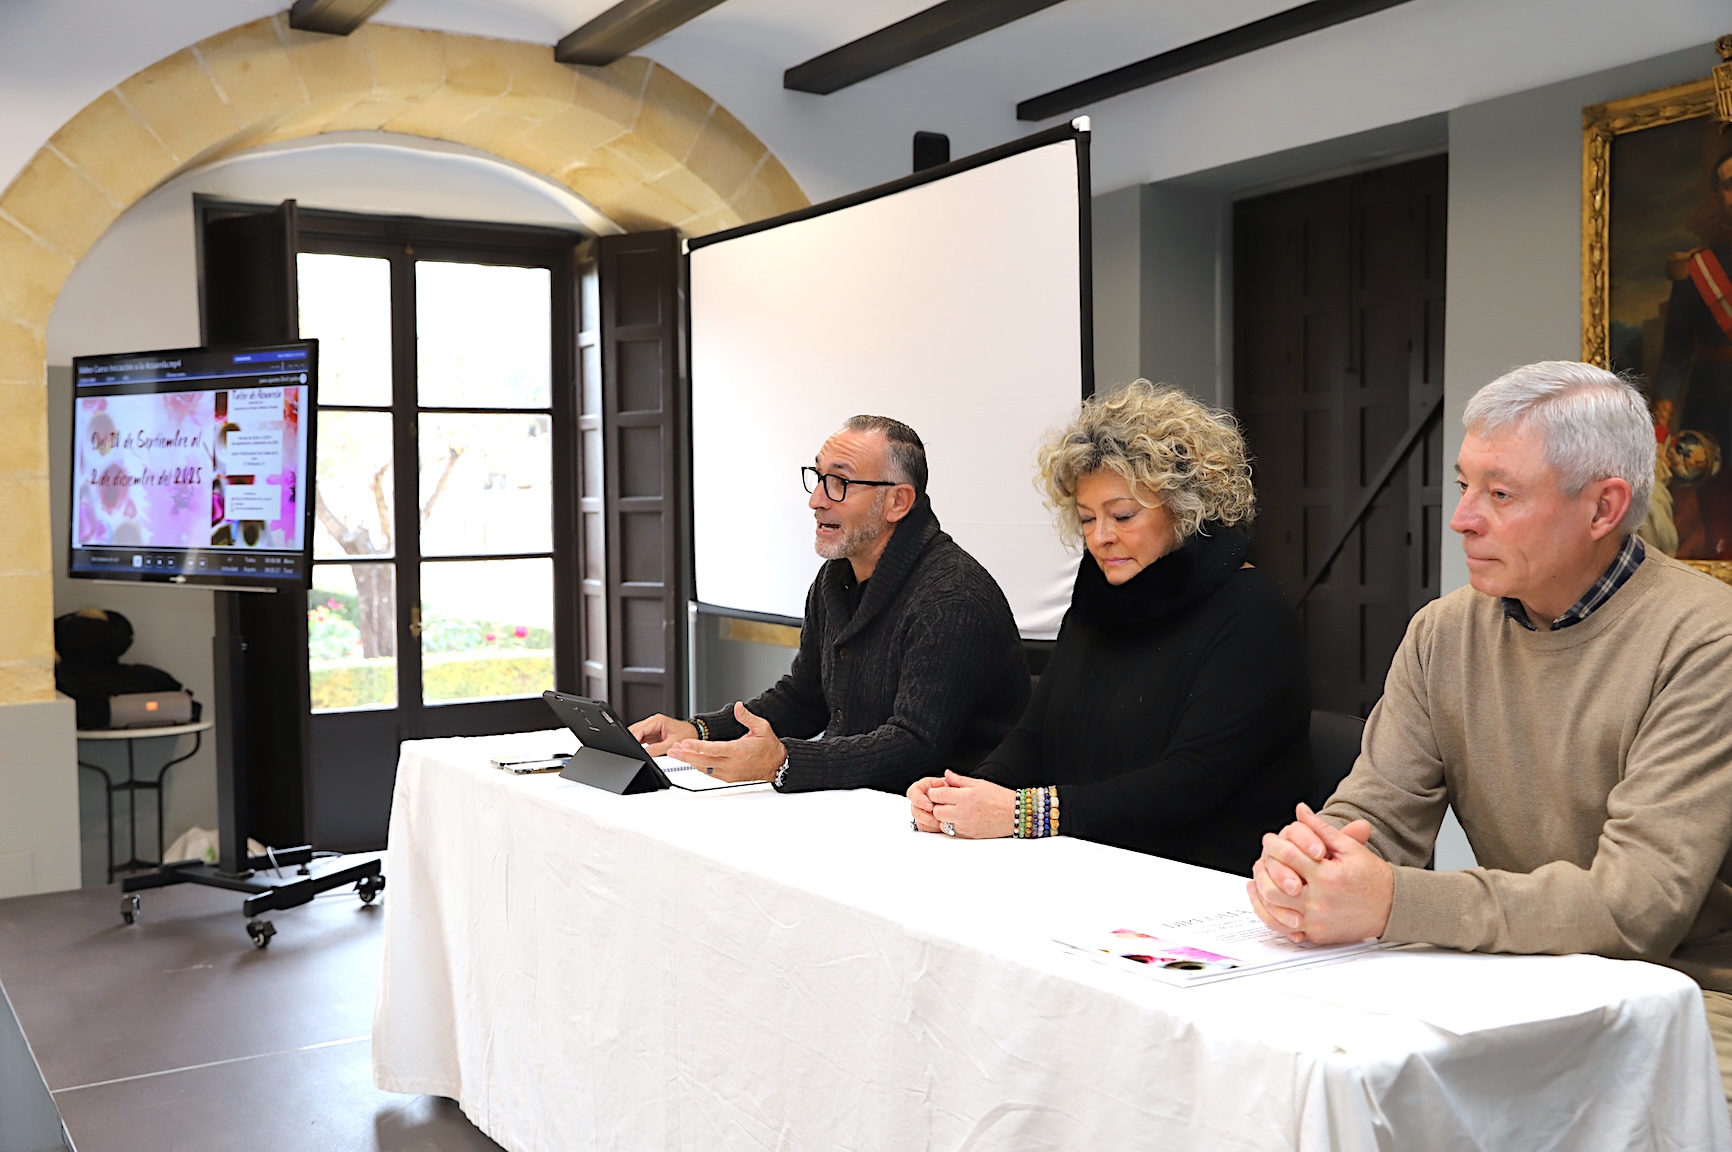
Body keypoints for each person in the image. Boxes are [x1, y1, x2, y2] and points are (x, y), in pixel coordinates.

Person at [1246, 361, 1732, 1102]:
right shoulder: (1443, 632)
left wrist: (1389, 902)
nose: (1462, 516)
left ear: (1603, 509)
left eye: (1499, 494)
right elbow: (1375, 819)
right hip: (1519, 978)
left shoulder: (1705, 642)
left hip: (1685, 1002)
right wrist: (1312, 864)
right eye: (1466, 482)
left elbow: (1634, 913)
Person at [908, 381, 1312, 875]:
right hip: (1094, 862)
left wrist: (1021, 813)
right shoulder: (1101, 597)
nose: (1101, 538)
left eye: (1122, 515)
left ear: (1185, 508)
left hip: (1202, 886)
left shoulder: (1253, 611)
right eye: (1086, 518)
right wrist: (968, 790)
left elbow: (1191, 782)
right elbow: (1036, 736)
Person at [629, 415, 1028, 792]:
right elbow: (805, 698)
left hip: (946, 823)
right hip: (856, 803)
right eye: (818, 478)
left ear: (898, 503)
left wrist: (783, 762)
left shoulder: (952, 597)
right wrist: (698, 731)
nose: (816, 500)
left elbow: (916, 746)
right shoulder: (835, 577)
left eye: (838, 482)